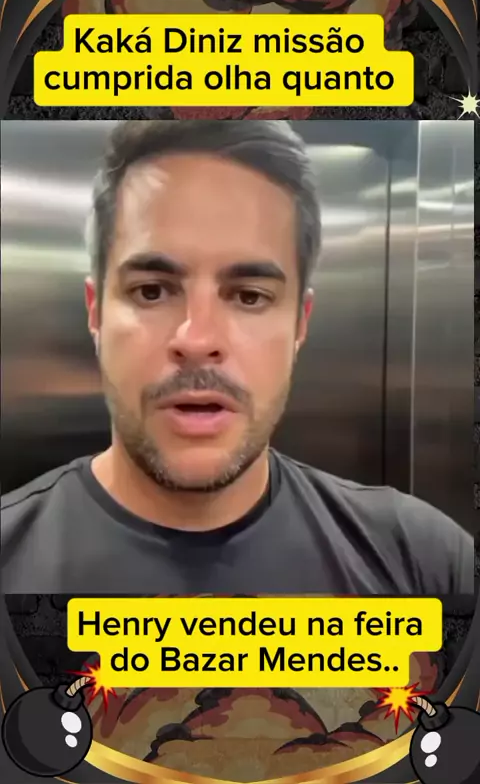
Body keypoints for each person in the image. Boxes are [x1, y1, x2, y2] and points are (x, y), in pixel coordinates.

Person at [1, 120, 473, 594]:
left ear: (300, 323)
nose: (197, 339)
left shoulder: (424, 563)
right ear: (96, 313)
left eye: (249, 296)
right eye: (152, 291)